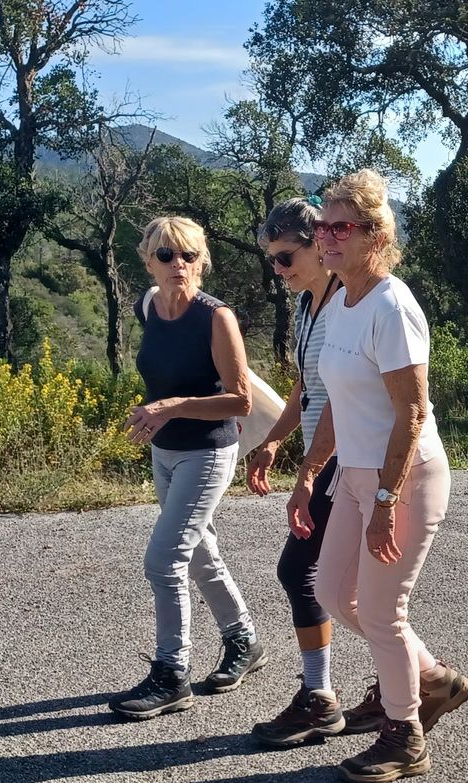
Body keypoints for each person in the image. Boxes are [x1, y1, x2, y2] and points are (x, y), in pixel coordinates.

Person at [288, 170, 468, 783]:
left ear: (376, 235)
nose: (326, 236)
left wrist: (387, 501)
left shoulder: (391, 307)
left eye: (341, 227)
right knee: (332, 591)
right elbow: (336, 401)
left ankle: (404, 735)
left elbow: (412, 412)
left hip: (406, 478)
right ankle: (430, 679)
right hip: (355, 474)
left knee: (381, 609)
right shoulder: (342, 301)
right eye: (322, 225)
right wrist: (309, 472)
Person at [110, 216, 266, 720]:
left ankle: (171, 674)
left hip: (207, 452)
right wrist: (158, 412)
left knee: (164, 561)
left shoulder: (216, 318)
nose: (178, 263)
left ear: (202, 261)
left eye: (189, 255)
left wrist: (171, 406)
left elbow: (240, 401)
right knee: (199, 554)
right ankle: (244, 641)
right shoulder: (147, 306)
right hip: (165, 452)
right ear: (148, 260)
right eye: (166, 254)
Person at [242, 197, 348, 747]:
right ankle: (413, 679)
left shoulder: (346, 303)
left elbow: (343, 398)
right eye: (272, 260)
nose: (278, 270)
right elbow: (307, 386)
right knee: (337, 582)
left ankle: (321, 695)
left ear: (318, 246)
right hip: (323, 455)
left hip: (347, 458)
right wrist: (273, 441)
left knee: (301, 570)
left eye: (286, 257)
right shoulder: (309, 304)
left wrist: (308, 473)